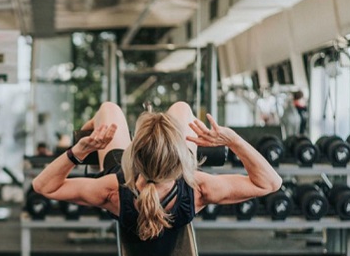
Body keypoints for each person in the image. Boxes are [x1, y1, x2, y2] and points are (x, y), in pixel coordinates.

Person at [32, 101, 282, 240]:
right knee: (182, 108)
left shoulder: (110, 190)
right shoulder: (199, 188)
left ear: (132, 157)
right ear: (183, 158)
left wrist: (80, 149)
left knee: (109, 109)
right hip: (165, 177)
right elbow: (269, 183)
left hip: (126, 182)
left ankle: (91, 135)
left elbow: (43, 186)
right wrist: (233, 140)